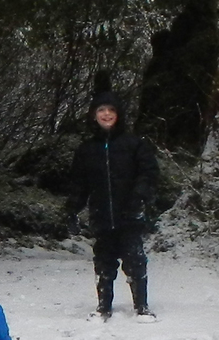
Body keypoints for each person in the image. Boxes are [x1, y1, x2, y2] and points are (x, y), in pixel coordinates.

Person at [66, 93, 160, 319]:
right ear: (93, 116)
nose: (106, 114)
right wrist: (72, 209)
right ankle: (103, 306)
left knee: (135, 259)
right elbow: (79, 183)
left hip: (129, 214)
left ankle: (142, 306)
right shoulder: (86, 150)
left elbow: (149, 173)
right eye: (101, 110)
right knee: (104, 262)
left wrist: (139, 196)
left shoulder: (134, 145)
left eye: (111, 110)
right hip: (101, 215)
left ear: (118, 115)